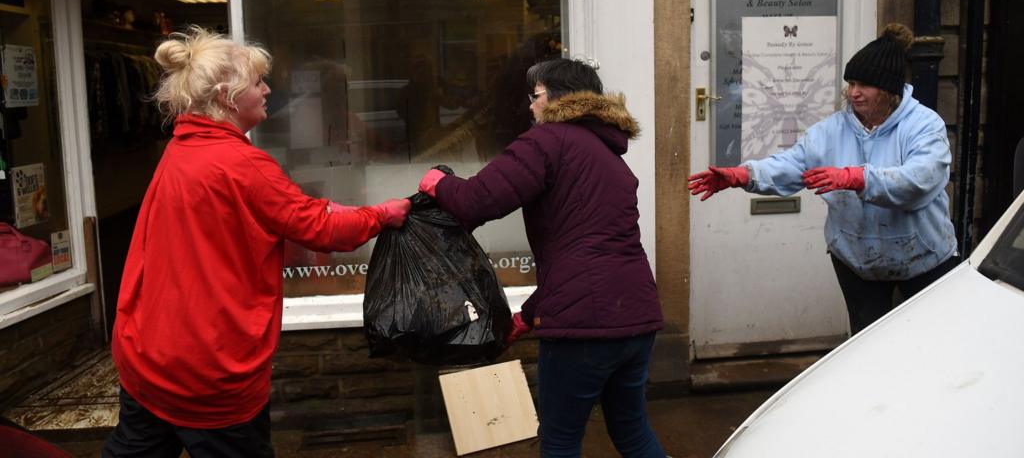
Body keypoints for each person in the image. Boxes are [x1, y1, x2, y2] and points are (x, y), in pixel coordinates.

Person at [102, 27, 410, 458]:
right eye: (258, 82)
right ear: (229, 96)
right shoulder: (241, 164)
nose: (267, 89)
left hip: (149, 357)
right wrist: (383, 213)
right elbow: (319, 228)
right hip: (209, 372)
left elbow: (253, 223)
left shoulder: (180, 149)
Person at [418, 58, 667, 458]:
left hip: (584, 327)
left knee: (561, 440)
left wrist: (438, 183)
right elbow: (591, 250)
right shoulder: (608, 155)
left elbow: (478, 201)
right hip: (636, 317)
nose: (530, 106)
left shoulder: (547, 141)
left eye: (534, 96)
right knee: (632, 430)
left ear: (553, 96)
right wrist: (531, 311)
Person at [688, 23, 958, 335]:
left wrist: (856, 178)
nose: (854, 92)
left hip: (923, 259)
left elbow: (920, 180)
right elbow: (793, 164)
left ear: (889, 90)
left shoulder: (924, 125)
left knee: (928, 342)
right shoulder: (832, 130)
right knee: (867, 345)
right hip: (858, 262)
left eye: (865, 85)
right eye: (851, 83)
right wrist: (745, 175)